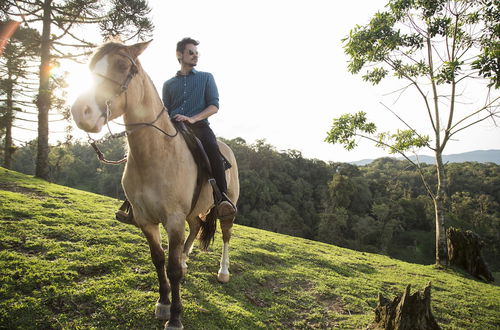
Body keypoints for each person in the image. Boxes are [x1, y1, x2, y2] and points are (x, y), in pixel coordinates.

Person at [162, 37, 236, 220]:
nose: (195, 56)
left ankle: (222, 200)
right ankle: (133, 203)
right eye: (191, 52)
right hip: (173, 127)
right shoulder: (168, 84)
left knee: (213, 149)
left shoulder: (206, 78)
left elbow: (214, 106)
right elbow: (166, 109)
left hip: (199, 127)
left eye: (197, 53)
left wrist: (193, 118)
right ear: (179, 55)